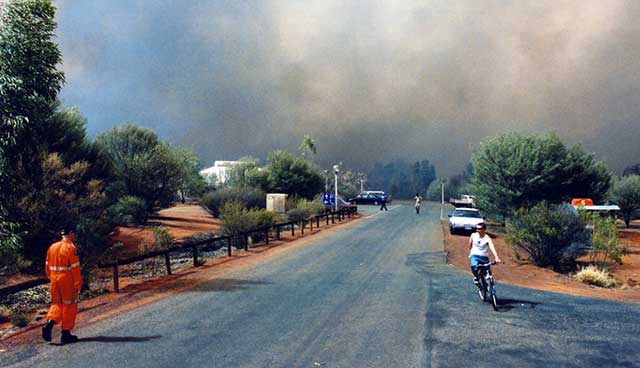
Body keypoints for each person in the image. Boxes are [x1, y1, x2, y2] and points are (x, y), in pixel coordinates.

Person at [41, 226, 81, 344]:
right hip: (67, 281)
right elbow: (75, 268)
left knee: (57, 303)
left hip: (54, 280)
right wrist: (77, 284)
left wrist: (52, 278)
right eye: (74, 234)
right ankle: (66, 333)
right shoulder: (71, 248)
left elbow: (47, 267)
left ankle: (49, 324)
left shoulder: (52, 247)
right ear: (71, 233)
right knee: (69, 305)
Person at [468, 223, 501, 287]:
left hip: (484, 257)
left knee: (487, 273)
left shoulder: (487, 238)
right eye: (477, 228)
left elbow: (492, 247)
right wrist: (470, 252)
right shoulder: (473, 235)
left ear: (484, 229)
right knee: (474, 266)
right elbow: (470, 244)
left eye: (480, 229)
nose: (478, 230)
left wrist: (496, 257)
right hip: (475, 255)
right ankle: (476, 277)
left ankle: (489, 289)